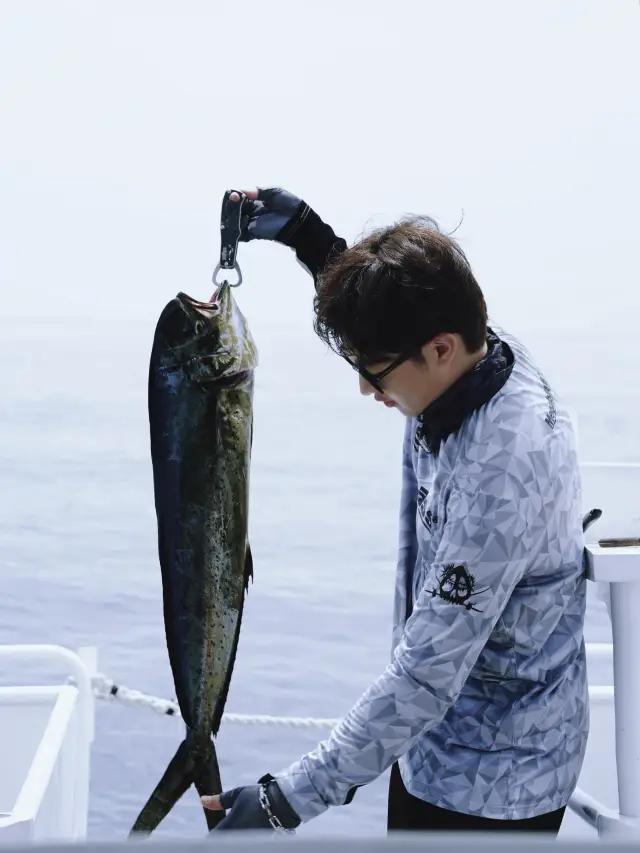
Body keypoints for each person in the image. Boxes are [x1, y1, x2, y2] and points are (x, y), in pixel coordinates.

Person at [200, 188, 589, 835]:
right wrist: (311, 240)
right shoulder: (470, 347)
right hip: (428, 750)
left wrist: (283, 801)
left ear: (440, 350)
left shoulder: (504, 474)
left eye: (375, 373)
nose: (365, 388)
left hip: (495, 787)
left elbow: (425, 673)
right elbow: (401, 310)